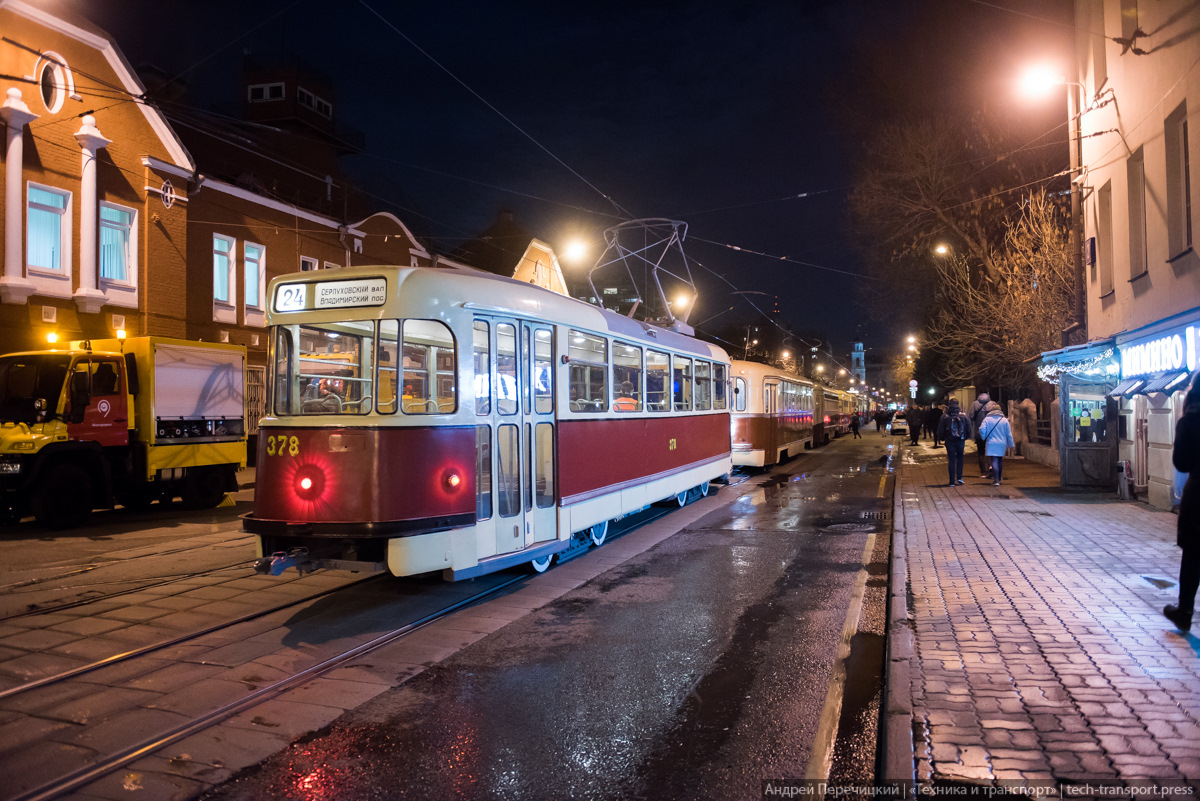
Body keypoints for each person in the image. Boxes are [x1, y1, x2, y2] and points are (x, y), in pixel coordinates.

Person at [1165, 379, 1200, 632]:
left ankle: (1185, 611)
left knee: (1193, 555)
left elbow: (1183, 463)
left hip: (1199, 496)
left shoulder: (1189, 421)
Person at [978, 400, 1015, 486]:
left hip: (991, 443)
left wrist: (984, 436)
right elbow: (1008, 433)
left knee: (993, 460)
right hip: (1002, 443)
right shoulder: (1004, 420)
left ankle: (996, 480)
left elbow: (981, 429)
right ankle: (999, 478)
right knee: (999, 460)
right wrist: (1011, 444)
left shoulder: (987, 419)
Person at [937, 398, 972, 486]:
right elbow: (968, 428)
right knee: (960, 458)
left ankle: (951, 481)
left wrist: (941, 438)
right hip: (960, 440)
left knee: (951, 460)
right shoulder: (963, 415)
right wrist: (965, 437)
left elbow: (940, 429)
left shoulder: (945, 416)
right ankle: (959, 478)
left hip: (949, 440)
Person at [969, 391, 992, 478]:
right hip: (990, 431)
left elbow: (970, 417)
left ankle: (983, 471)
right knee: (990, 451)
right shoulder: (992, 404)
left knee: (981, 452)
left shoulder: (974, 404)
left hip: (979, 432)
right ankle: (991, 469)